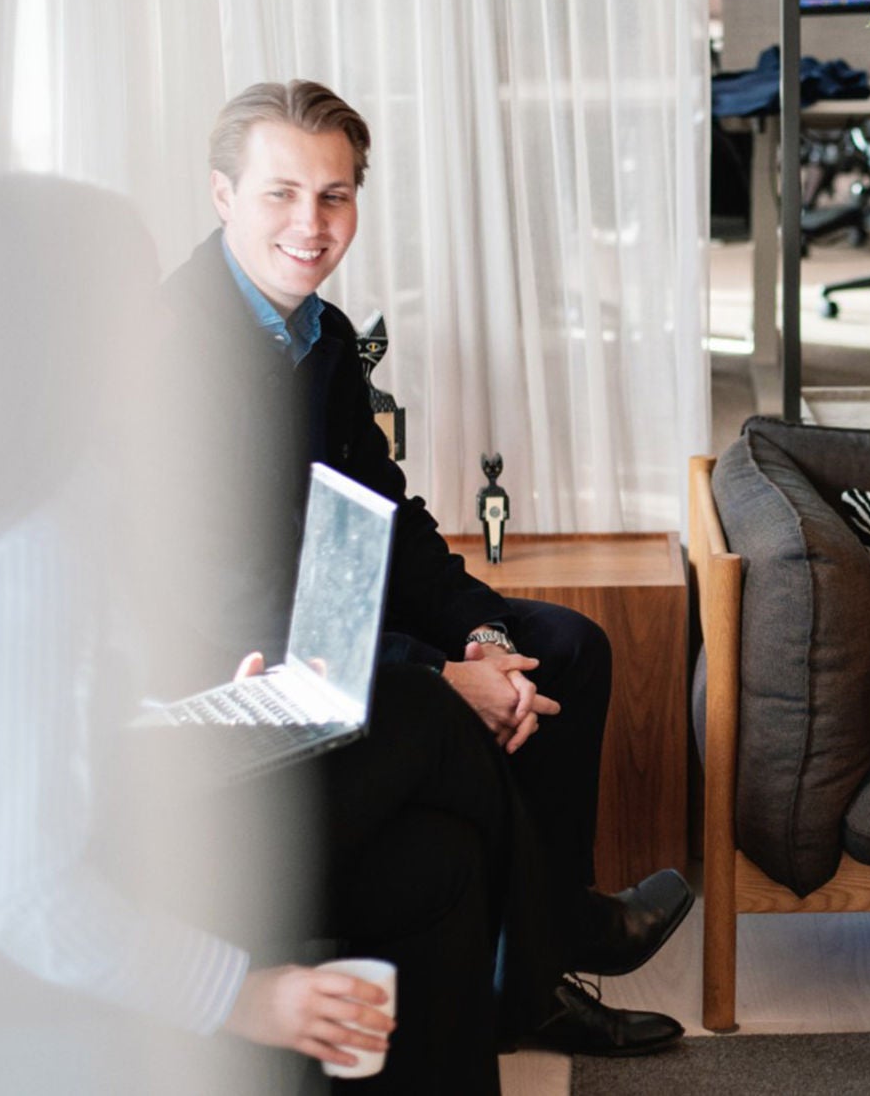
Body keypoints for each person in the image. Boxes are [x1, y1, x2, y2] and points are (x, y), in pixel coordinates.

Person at [0, 178, 502, 1094]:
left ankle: (547, 941)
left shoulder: (53, 493)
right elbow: (23, 894)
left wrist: (204, 706)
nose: (163, 324)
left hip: (74, 844)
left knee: (440, 864)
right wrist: (246, 994)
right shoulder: (21, 555)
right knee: (420, 711)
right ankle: (559, 942)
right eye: (138, 299)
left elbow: (55, 734)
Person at [157, 80, 687, 1057]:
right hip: (233, 673)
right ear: (222, 195)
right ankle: (554, 934)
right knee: (452, 700)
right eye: (280, 194)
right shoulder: (174, 349)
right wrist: (441, 673)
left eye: (334, 196)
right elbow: (238, 598)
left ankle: (535, 975)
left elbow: (386, 523)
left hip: (328, 622)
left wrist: (481, 633)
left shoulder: (318, 336)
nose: (310, 225)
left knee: (560, 647)